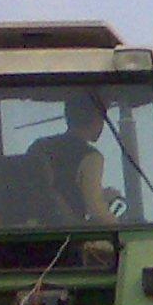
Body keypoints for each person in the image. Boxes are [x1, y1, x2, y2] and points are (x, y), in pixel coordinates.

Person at [28, 92, 123, 225]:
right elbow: (96, 209)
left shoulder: (39, 146)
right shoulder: (91, 157)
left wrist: (102, 196)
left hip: (35, 228)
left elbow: (52, 186)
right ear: (95, 119)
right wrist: (118, 224)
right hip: (69, 235)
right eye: (102, 118)